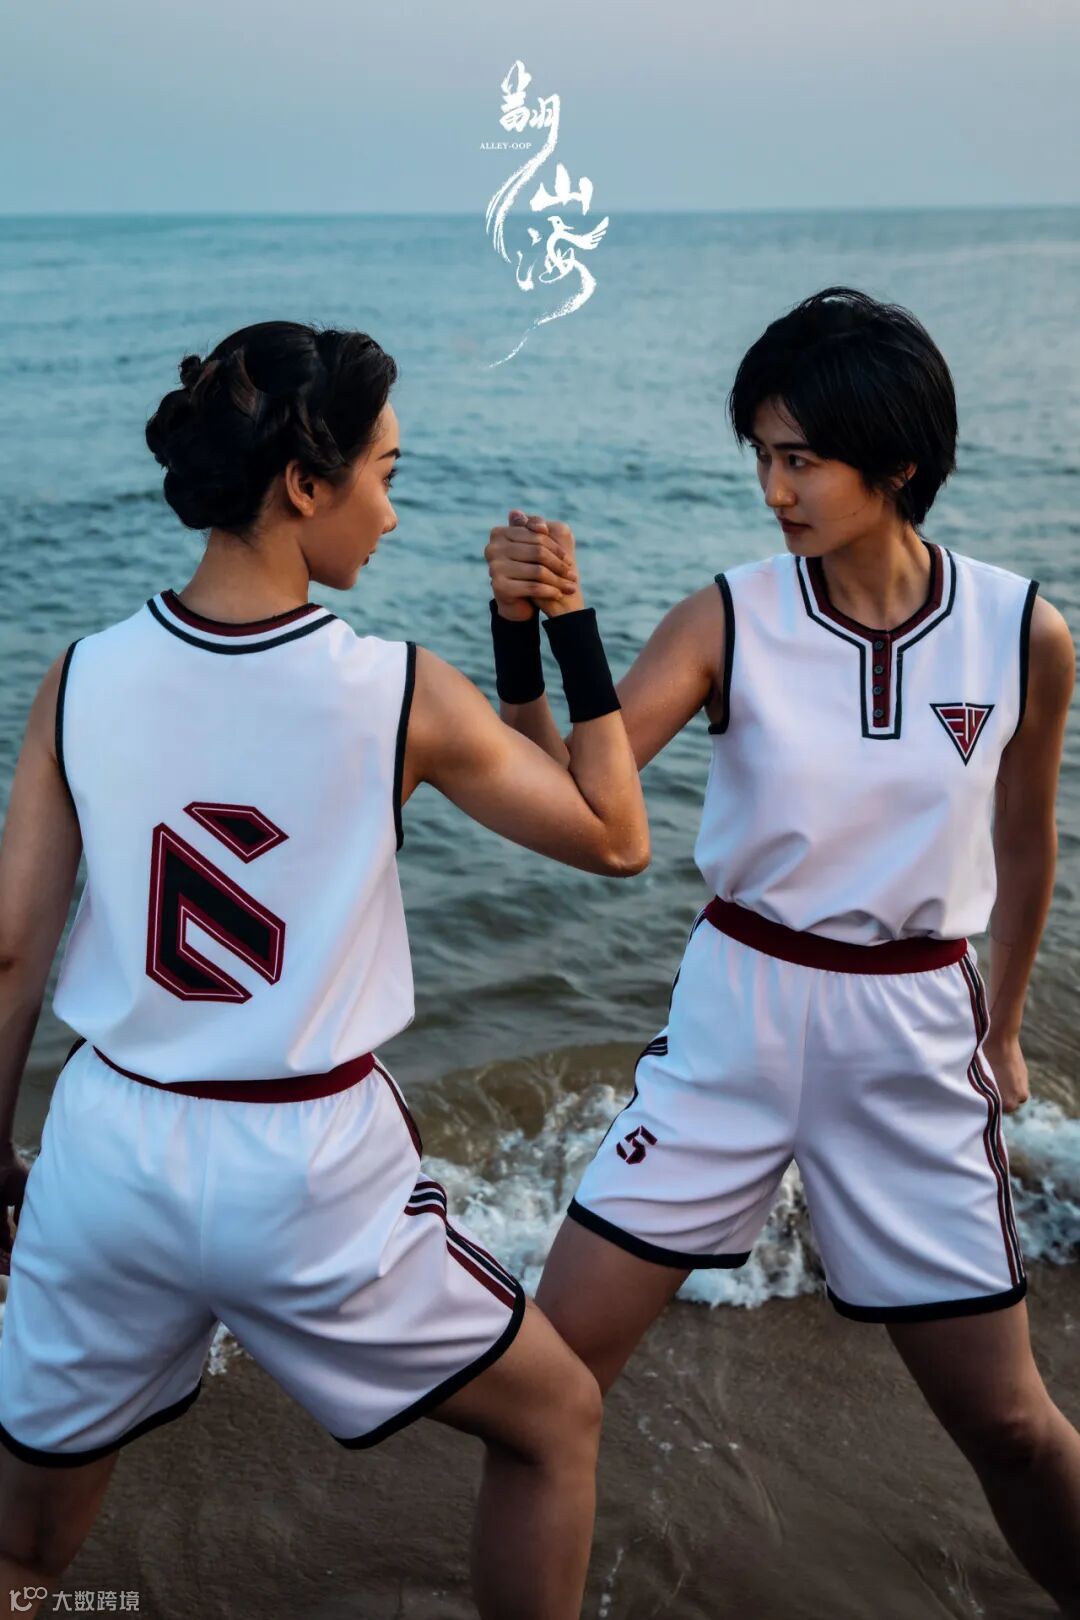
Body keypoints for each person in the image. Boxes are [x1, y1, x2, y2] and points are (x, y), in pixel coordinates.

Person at [0, 320, 649, 1620]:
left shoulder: (81, 675)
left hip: (109, 1152)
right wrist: (555, 627)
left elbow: (14, 949)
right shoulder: (396, 690)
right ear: (305, 483)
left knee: (26, 1554)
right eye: (385, 476)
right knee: (555, 1423)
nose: (392, 514)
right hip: (305, 1173)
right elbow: (616, 836)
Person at [485, 287, 1080, 1613]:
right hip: (737, 1022)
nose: (773, 489)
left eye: (800, 458)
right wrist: (527, 634)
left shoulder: (1020, 631)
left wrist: (1002, 1030)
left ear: (899, 461)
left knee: (1009, 1425)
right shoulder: (729, 617)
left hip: (915, 1040)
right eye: (762, 454)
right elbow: (571, 795)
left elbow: (1027, 848)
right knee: (548, 1383)